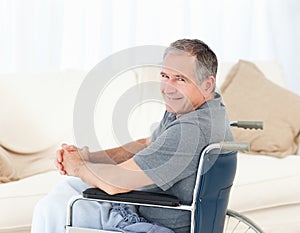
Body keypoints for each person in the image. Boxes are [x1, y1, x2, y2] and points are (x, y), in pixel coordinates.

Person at [31, 39, 233, 233]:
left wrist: (77, 166)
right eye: (165, 76)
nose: (168, 88)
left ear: (207, 84)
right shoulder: (198, 108)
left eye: (180, 79)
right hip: (141, 206)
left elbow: (116, 182)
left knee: (54, 208)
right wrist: (89, 157)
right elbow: (147, 144)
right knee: (69, 187)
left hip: (146, 223)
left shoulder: (191, 130)